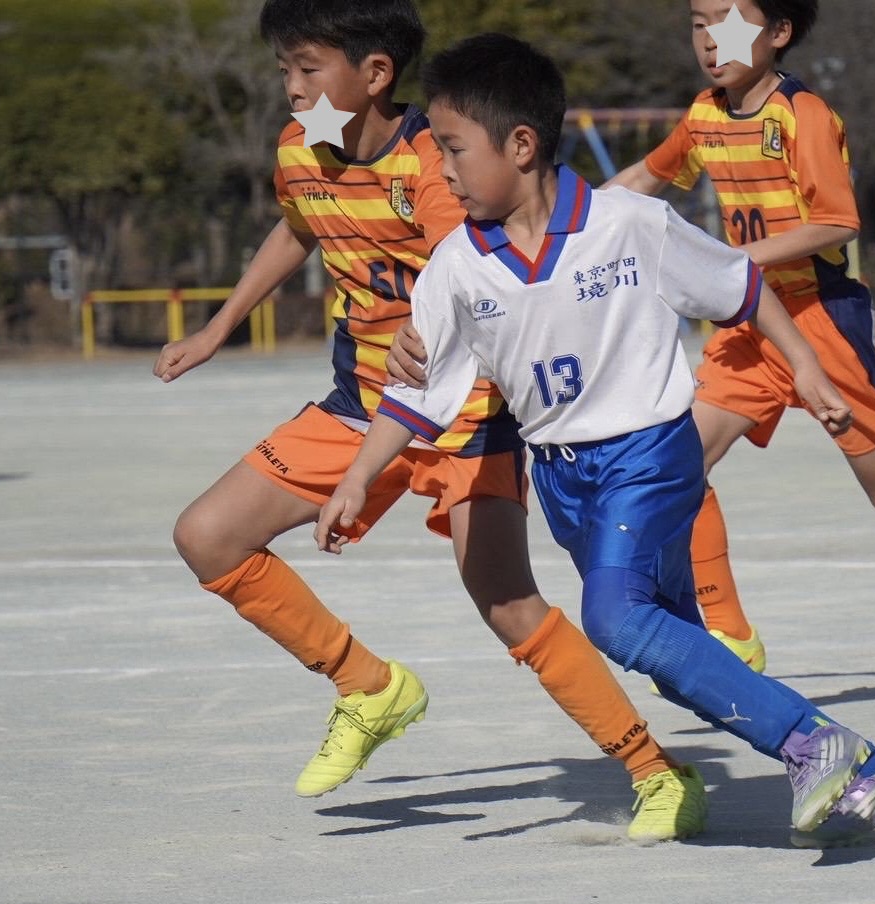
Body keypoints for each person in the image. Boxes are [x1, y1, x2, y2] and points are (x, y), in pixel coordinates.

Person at [316, 32, 875, 847]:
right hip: (561, 480)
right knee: (672, 654)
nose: (443, 170)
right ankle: (873, 770)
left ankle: (815, 747)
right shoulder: (457, 266)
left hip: (648, 455)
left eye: (454, 150)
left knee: (614, 619)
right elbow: (418, 394)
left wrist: (807, 366)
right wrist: (359, 476)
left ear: (521, 145)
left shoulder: (629, 223)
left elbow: (739, 286)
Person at [153, 0, 705, 842]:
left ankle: (655, 772)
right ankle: (367, 687)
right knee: (207, 535)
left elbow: (477, 269)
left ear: (375, 73)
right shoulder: (298, 151)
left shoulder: (434, 168)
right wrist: (220, 325)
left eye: (307, 68)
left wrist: (442, 337)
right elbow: (297, 229)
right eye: (284, 70)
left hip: (467, 413)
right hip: (360, 403)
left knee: (507, 604)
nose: (291, 87)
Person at [391, 0, 875, 671]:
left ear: (778, 32)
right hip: (747, 326)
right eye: (699, 23)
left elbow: (836, 223)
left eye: (729, 23)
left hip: (820, 317)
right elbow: (638, 185)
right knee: (677, 462)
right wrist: (567, 227)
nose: (711, 40)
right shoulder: (703, 115)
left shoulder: (802, 115)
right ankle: (729, 631)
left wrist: (724, 263)